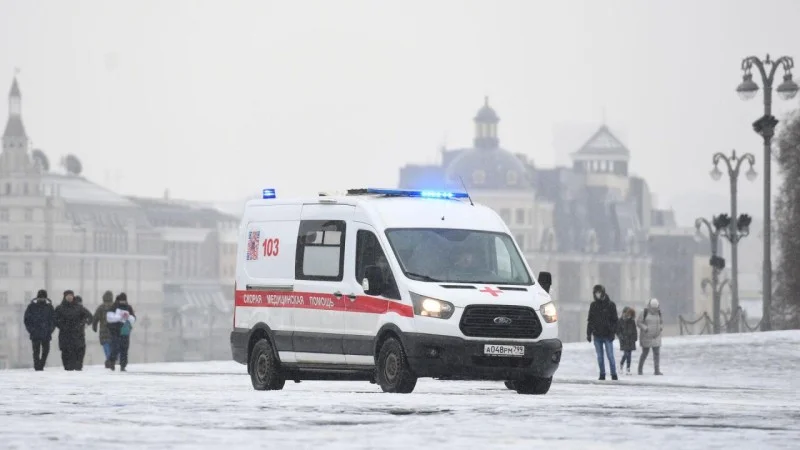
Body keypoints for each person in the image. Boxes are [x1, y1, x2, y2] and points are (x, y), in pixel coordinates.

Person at [54, 290, 92, 371]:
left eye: (71, 295)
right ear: (65, 297)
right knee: (67, 360)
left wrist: (83, 324)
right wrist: (62, 326)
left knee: (78, 360)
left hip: (78, 336)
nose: (69, 297)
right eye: (68, 296)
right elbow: (55, 320)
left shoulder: (79, 308)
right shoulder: (60, 308)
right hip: (65, 337)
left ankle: (77, 374)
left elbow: (90, 317)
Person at [587, 284, 619, 380]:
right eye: (596, 293)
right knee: (600, 357)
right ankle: (602, 374)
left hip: (608, 335)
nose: (597, 294)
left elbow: (615, 320)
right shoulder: (593, 305)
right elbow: (590, 320)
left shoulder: (611, 305)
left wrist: (613, 332)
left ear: (603, 293)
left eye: (599, 292)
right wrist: (588, 333)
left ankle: (614, 374)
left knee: (610, 356)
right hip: (597, 335)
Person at [23, 289, 56, 371]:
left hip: (46, 333)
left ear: (45, 298)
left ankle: (41, 364)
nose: (41, 299)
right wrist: (31, 330)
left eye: (43, 297)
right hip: (35, 333)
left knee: (46, 351)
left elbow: (53, 320)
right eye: (40, 297)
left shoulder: (49, 307)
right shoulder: (31, 307)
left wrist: (50, 330)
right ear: (37, 297)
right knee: (36, 352)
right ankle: (37, 366)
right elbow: (27, 320)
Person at [106, 293, 136, 372]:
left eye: (124, 300)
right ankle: (112, 361)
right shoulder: (114, 307)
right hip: (115, 330)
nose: (123, 302)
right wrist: (120, 317)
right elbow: (109, 318)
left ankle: (123, 365)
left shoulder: (129, 308)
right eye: (121, 300)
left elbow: (133, 319)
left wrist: (128, 317)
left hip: (125, 330)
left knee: (124, 348)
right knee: (115, 347)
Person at [637, 298, 664, 376]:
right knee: (645, 353)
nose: (654, 309)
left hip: (656, 336)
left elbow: (661, 321)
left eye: (656, 307)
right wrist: (645, 328)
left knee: (657, 354)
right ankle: (640, 370)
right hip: (646, 336)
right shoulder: (644, 312)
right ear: (650, 306)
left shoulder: (659, 312)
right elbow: (639, 322)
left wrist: (661, 327)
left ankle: (657, 370)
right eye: (653, 307)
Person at [92, 291, 115, 368]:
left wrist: (94, 327)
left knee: (106, 346)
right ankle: (111, 359)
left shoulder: (101, 307)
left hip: (103, 331)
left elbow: (95, 318)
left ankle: (109, 359)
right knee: (112, 346)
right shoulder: (115, 307)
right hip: (113, 331)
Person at [616, 306, 638, 375]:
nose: (628, 315)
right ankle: (621, 365)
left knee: (629, 355)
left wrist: (635, 337)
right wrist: (621, 337)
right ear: (624, 313)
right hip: (624, 340)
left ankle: (628, 369)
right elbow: (618, 331)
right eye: (627, 314)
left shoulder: (632, 321)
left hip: (631, 340)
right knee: (626, 354)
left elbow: (635, 330)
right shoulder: (620, 321)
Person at [74, 295, 93, 370]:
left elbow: (91, 317)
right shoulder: (82, 309)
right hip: (80, 332)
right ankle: (79, 364)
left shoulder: (81, 309)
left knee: (78, 349)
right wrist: (85, 323)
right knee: (80, 349)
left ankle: (77, 364)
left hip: (77, 333)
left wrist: (85, 323)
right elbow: (91, 317)